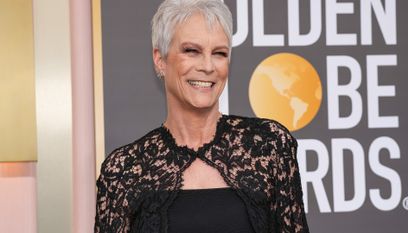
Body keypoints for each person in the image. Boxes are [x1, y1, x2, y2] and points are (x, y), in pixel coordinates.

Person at [94, 0, 309, 232]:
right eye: (191, 51)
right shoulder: (124, 170)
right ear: (160, 59)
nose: (208, 66)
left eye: (219, 53)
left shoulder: (269, 146)